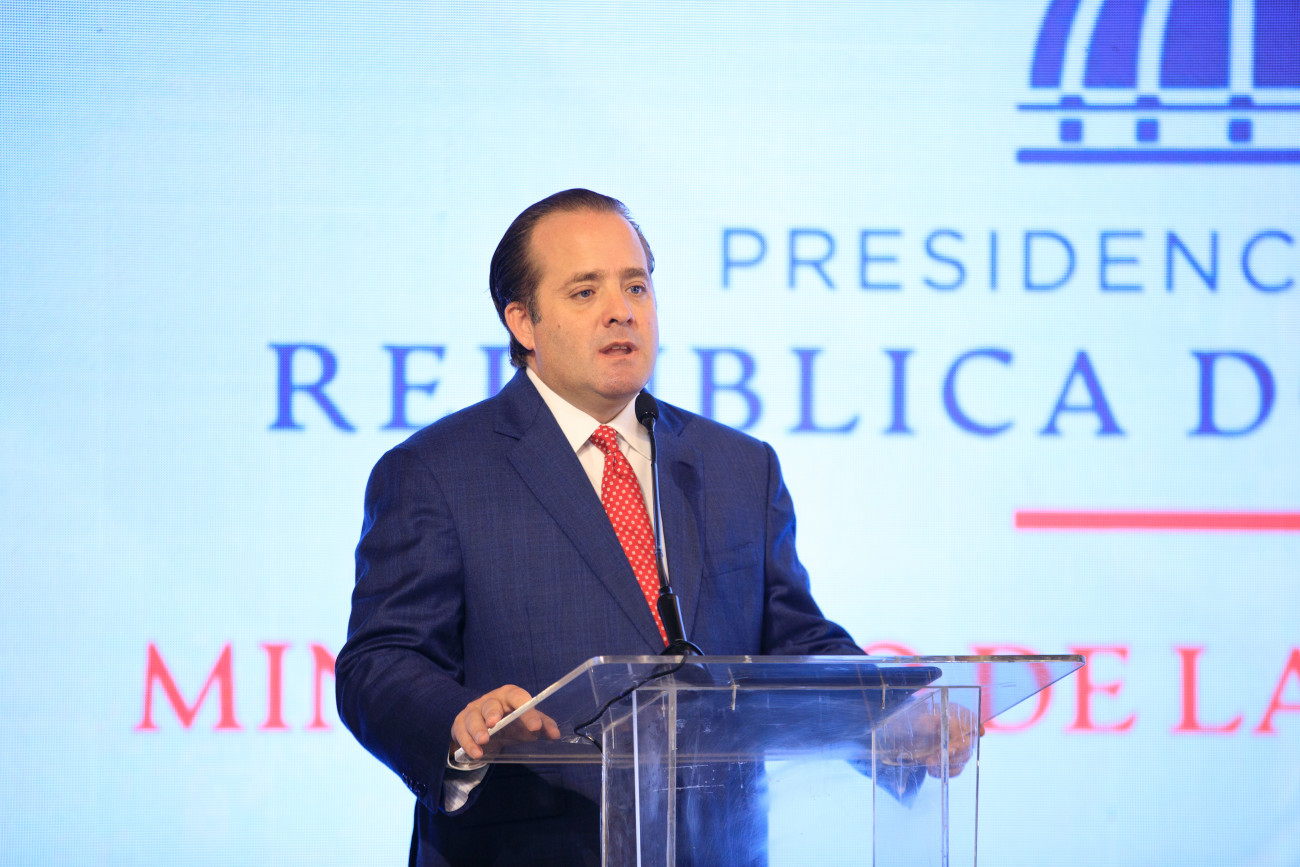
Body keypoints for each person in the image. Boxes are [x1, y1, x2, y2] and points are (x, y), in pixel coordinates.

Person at [335, 189, 939, 865]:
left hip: (715, 848)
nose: (621, 309)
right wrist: (459, 722)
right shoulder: (437, 471)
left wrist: (887, 716)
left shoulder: (737, 466)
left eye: (636, 286)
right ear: (523, 321)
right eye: (584, 291)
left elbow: (793, 641)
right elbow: (379, 663)